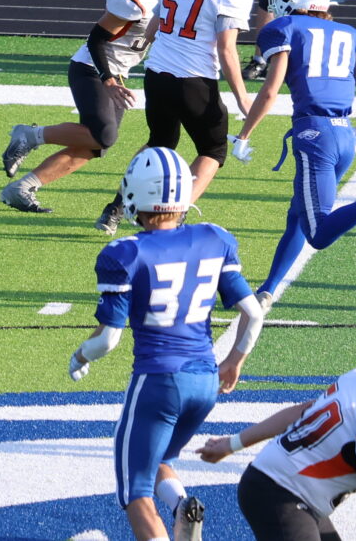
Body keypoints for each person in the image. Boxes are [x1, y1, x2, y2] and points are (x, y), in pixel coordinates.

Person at [66, 148, 267, 541]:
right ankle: (181, 507)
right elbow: (254, 313)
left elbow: (108, 339)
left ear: (136, 194)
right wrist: (234, 361)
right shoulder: (214, 238)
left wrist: (80, 355)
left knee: (135, 489)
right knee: (158, 456)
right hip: (205, 380)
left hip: (158, 380)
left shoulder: (126, 252)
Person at [232, 0, 356, 305]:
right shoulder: (348, 33)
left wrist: (244, 134)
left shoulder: (284, 27)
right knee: (298, 215)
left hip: (314, 136)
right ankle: (268, 290)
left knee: (318, 232)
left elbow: (270, 90)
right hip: (344, 135)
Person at [0, 0, 181, 221]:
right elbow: (96, 39)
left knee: (96, 145)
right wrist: (108, 78)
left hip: (118, 70)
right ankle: (30, 135)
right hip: (92, 68)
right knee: (104, 136)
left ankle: (22, 188)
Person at [195, 334, 356, 541]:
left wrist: (232, 444)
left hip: (281, 486)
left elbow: (300, 412)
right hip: (280, 494)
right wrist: (231, 445)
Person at [130, 0, 250, 205]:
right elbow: (227, 50)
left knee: (159, 142)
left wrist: (144, 45)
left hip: (156, 75)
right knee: (213, 150)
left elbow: (156, 21)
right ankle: (177, 213)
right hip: (195, 79)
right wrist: (243, 98)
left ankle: (117, 206)